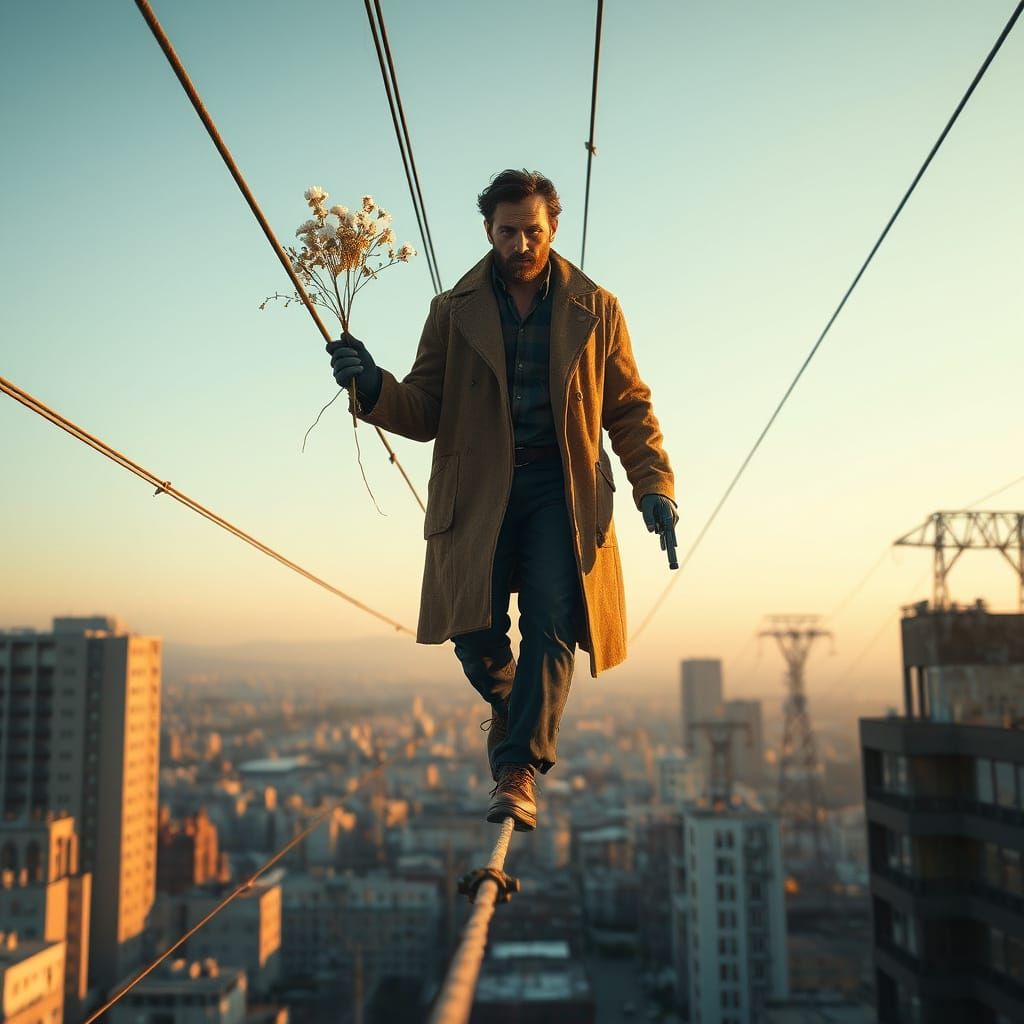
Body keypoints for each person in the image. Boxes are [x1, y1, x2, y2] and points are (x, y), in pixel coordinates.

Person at [327, 169, 676, 832]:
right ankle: (518, 713)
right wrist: (373, 386)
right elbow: (426, 408)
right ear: (489, 231)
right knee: (473, 629)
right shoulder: (452, 311)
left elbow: (630, 408)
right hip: (479, 488)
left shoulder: (597, 309)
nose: (521, 243)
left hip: (561, 488)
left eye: (532, 231)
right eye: (508, 231)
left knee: (551, 620)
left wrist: (653, 484)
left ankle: (517, 769)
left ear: (552, 229)